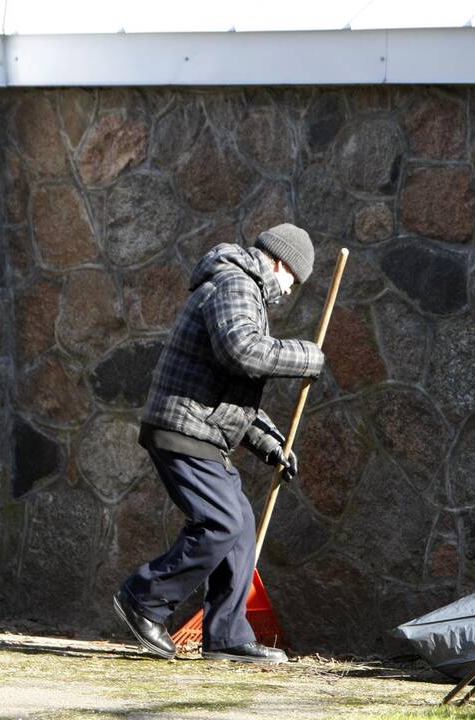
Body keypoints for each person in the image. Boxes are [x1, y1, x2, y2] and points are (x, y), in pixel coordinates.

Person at [113, 223, 325, 665]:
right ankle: (144, 599)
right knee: (222, 522)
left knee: (240, 524)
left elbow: (233, 393)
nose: (289, 291)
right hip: (184, 429)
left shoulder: (241, 288)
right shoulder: (235, 283)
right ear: (281, 262)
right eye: (293, 280)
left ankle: (227, 635)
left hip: (201, 430)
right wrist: (308, 355)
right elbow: (242, 352)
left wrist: (271, 444)